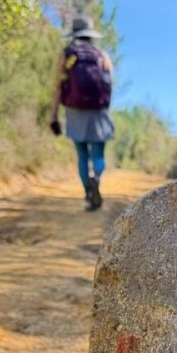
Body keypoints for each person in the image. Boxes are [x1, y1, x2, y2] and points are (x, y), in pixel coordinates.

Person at [50, 15, 115, 211]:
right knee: (98, 152)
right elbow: (110, 83)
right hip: (98, 111)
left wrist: (54, 114)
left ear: (74, 34)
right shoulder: (102, 55)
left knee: (82, 154)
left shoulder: (68, 55)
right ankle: (96, 179)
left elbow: (59, 85)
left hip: (75, 110)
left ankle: (88, 191)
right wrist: (104, 106)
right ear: (91, 35)